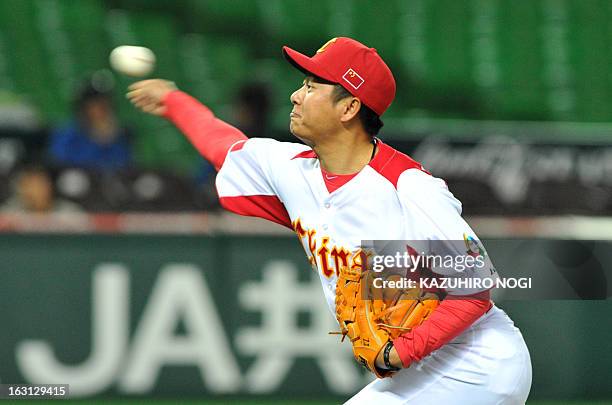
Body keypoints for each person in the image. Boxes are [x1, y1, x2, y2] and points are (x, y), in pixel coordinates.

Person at [126, 37, 532, 404]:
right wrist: (176, 102)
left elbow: (474, 287)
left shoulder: (407, 187)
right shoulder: (289, 170)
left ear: (350, 107)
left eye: (311, 86)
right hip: (424, 373)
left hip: (479, 366)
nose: (295, 95)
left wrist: (399, 352)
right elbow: (223, 145)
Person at [49, 81, 132, 171]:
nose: (98, 111)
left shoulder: (119, 135)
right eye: (93, 105)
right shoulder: (67, 134)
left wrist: (106, 138)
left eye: (103, 105)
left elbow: (124, 165)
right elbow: (59, 164)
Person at [1, 165, 81, 213]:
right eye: (31, 185)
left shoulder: (69, 212)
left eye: (41, 184)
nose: (37, 190)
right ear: (22, 189)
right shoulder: (9, 213)